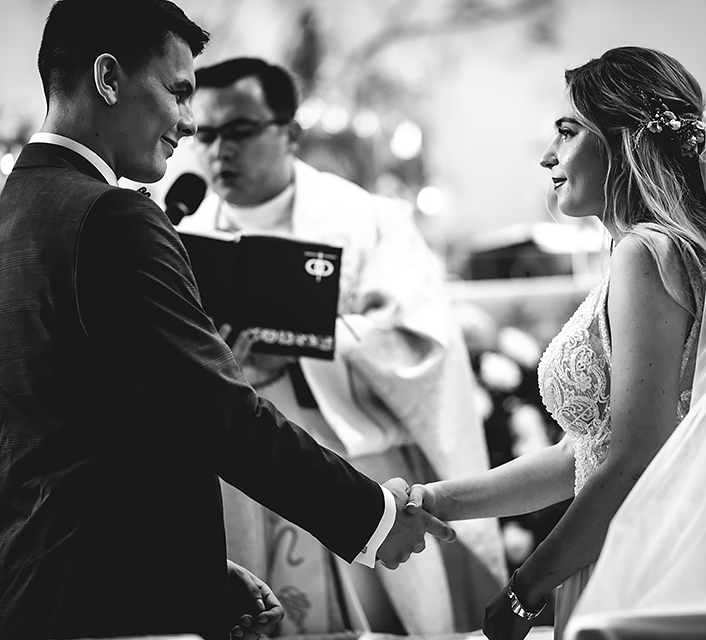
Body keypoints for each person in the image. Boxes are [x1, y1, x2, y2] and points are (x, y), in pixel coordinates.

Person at [0, 3, 455, 640]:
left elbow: (74, 438)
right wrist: (376, 518)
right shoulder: (112, 218)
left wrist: (187, 568)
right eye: (178, 92)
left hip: (37, 598)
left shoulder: (3, 224)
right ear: (108, 78)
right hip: (112, 619)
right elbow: (220, 415)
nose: (190, 123)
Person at [406, 46, 706, 640]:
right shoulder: (667, 254)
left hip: (644, 564)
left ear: (621, 139)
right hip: (649, 550)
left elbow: (633, 460)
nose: (549, 155)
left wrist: (526, 589)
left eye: (567, 132)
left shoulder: (645, 256)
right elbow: (585, 455)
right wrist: (440, 501)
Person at [176, 56, 507, 635]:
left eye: (240, 130)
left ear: (290, 133)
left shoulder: (367, 220)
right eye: (204, 134)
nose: (219, 150)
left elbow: (420, 343)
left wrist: (310, 343)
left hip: (349, 467)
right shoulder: (183, 234)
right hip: (235, 479)